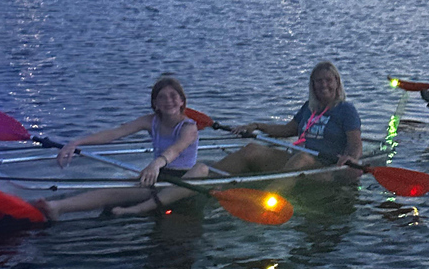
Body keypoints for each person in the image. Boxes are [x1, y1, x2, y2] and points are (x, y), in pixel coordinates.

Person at [35, 76, 209, 220]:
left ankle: (140, 209)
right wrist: (76, 143)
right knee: (112, 192)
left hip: (183, 177)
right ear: (155, 103)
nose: (168, 101)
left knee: (202, 169)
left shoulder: (188, 127)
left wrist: (156, 164)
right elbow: (117, 132)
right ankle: (57, 207)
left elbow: (176, 149)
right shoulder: (151, 121)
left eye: (173, 96)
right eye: (162, 97)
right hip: (158, 176)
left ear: (181, 101)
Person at [213, 61, 362, 178]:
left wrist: (351, 159)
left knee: (302, 158)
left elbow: (355, 143)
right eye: (319, 81)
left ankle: (269, 196)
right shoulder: (308, 107)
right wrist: (257, 125)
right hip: (298, 160)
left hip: (325, 168)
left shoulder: (346, 109)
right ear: (313, 84)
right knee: (251, 149)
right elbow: (287, 130)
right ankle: (206, 176)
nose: (324, 85)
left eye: (328, 80)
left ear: (337, 82)